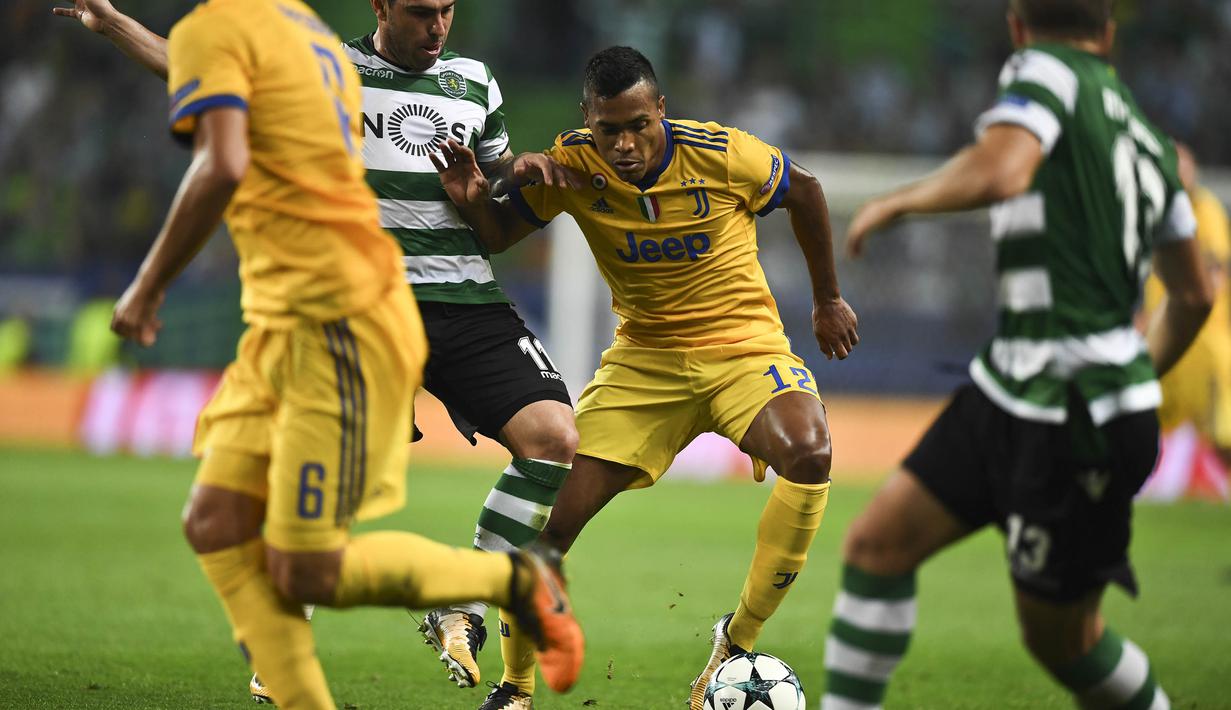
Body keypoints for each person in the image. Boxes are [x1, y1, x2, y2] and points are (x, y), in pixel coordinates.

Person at [54, 0, 583, 698]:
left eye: (448, 12)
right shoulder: (329, 62)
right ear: (382, 7)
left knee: (552, 436)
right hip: (364, 297)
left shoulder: (473, 82)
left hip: (462, 299)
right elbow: (203, 70)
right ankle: (287, 642)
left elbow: (491, 201)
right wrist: (118, 24)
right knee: (317, 484)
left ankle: (465, 603)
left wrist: (513, 177)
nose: (438, 27)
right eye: (422, 13)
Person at [431, 46, 859, 710]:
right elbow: (495, 233)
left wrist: (827, 299)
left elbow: (803, 189)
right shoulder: (568, 163)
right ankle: (514, 691)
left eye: (638, 125)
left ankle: (736, 639)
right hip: (644, 365)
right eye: (609, 130)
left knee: (810, 451)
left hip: (743, 349)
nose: (625, 144)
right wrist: (472, 201)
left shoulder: (722, 154)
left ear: (661, 109)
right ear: (588, 121)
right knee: (549, 522)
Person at [821, 2, 1212, 708]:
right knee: (876, 546)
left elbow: (1003, 168)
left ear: (1016, 26)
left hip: (1072, 416)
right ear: (1110, 35)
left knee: (1066, 641)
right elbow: (1193, 293)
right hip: (1012, 387)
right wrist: (1136, 374)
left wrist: (898, 203)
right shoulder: (1153, 144)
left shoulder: (1044, 71)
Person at [1141, 145, 1231, 477]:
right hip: (1167, 333)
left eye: (1184, 166)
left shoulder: (1203, 210)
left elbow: (1213, 275)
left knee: (1222, 436)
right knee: (1152, 423)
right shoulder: (1156, 213)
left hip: (1204, 341)